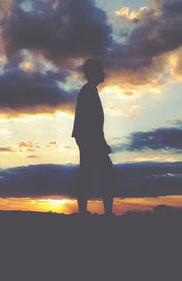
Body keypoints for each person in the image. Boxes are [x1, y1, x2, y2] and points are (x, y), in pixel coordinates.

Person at [72, 58, 116, 216]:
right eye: (100, 70)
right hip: (90, 142)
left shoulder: (90, 91)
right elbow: (90, 122)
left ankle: (89, 212)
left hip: (90, 141)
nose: (103, 73)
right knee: (104, 176)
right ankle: (103, 213)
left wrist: (101, 142)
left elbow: (94, 123)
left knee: (90, 176)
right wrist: (99, 143)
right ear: (93, 72)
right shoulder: (88, 91)